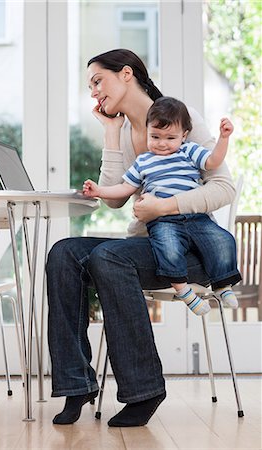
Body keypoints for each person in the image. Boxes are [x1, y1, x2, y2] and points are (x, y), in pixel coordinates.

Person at [46, 49, 236, 428]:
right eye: (90, 87)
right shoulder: (130, 132)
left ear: (127, 74)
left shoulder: (179, 118)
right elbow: (116, 199)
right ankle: (76, 383)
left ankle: (143, 391)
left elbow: (224, 188)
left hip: (190, 248)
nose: (94, 93)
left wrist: (165, 207)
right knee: (64, 252)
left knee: (108, 257)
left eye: (98, 81)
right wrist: (111, 132)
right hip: (147, 246)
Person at [83, 96, 241, 316]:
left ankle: (223, 284)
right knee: (168, 249)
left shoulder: (189, 151)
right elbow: (124, 188)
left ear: (183, 136)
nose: (162, 143)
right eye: (155, 136)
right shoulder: (144, 161)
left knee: (222, 240)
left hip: (194, 216)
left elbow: (213, 162)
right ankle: (183, 290)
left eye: (170, 137)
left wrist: (224, 138)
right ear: (147, 131)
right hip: (163, 221)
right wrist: (99, 191)